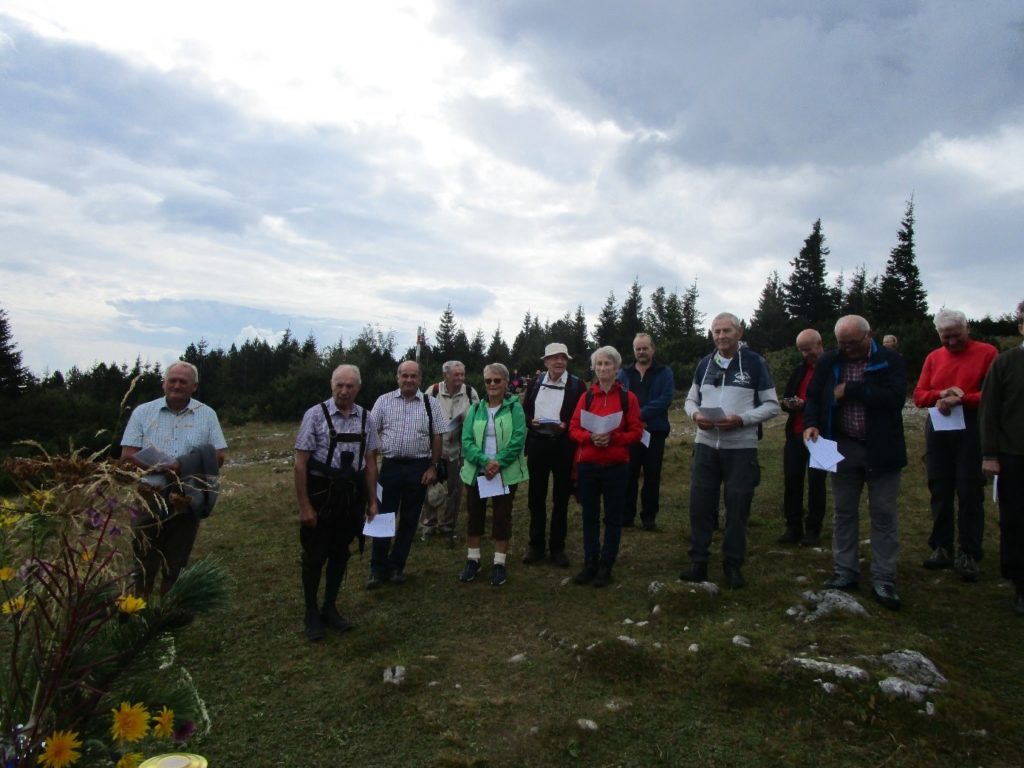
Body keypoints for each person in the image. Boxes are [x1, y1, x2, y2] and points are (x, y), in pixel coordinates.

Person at [804, 315, 907, 611]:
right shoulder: (829, 362)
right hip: (843, 445)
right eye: (842, 343)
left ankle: (884, 578)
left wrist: (851, 390)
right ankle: (845, 571)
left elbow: (894, 398)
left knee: (883, 513)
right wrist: (812, 423)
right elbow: (814, 396)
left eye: (853, 342)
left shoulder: (890, 360)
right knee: (844, 511)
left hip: (883, 449)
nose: (847, 348)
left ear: (869, 335)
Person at [680, 313, 780, 589]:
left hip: (741, 447)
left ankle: (732, 564)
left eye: (726, 331)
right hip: (706, 444)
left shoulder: (755, 363)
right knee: (700, 505)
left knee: (737, 507)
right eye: (716, 332)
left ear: (739, 332)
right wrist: (695, 415)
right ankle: (698, 561)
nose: (721, 336)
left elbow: (772, 405)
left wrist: (742, 420)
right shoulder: (704, 363)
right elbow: (690, 399)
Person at [121, 361, 227, 597]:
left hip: (187, 496)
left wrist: (181, 467)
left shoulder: (207, 415)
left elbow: (218, 456)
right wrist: (165, 467)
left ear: (194, 387)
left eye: (183, 382)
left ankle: (165, 620)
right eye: (172, 380)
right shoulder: (143, 412)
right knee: (143, 561)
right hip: (149, 495)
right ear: (163, 383)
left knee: (175, 563)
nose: (177, 385)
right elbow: (127, 455)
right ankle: (140, 616)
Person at [294, 365, 380, 640]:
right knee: (314, 555)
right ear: (331, 386)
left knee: (340, 554)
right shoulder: (315, 415)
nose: (344, 391)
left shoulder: (366, 418)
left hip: (350, 498)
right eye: (339, 386)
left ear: (358, 388)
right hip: (321, 494)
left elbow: (370, 463)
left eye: (350, 386)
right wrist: (305, 506)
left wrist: (372, 501)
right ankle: (311, 613)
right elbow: (300, 464)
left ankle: (330, 608)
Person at [913, 309, 998, 580]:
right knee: (939, 486)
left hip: (972, 428)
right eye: (945, 337)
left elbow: (994, 393)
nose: (950, 342)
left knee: (969, 489)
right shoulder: (933, 357)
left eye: (956, 336)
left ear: (967, 329)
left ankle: (969, 551)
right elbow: (919, 395)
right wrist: (940, 394)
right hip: (939, 428)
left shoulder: (987, 353)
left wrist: (963, 399)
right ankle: (941, 546)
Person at [368, 360, 449, 588]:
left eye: (413, 376)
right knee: (383, 517)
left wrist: (433, 466)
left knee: (409, 520)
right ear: (397, 378)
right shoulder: (383, 401)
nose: (409, 380)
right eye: (405, 375)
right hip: (390, 468)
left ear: (420, 379)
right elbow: (372, 434)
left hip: (419, 468)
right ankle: (377, 568)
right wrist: (370, 465)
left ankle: (396, 567)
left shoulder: (430, 403)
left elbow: (437, 436)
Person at [569, 346, 643, 587]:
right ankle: (590, 562)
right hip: (589, 464)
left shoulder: (627, 398)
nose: (602, 368)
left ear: (617, 369)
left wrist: (614, 438)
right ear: (594, 368)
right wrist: (589, 438)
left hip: (616, 465)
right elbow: (573, 427)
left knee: (613, 517)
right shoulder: (586, 397)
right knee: (590, 516)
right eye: (598, 364)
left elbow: (636, 431)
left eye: (607, 364)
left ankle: (606, 565)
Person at [458, 363, 529, 586]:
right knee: (474, 516)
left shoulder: (514, 407)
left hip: (503, 472)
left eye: (497, 380)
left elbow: (519, 438)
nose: (492, 384)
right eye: (488, 380)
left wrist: (498, 462)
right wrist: (483, 460)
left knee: (502, 517)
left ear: (506, 382)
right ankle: (473, 559)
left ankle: (499, 562)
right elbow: (466, 440)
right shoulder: (475, 408)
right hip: (477, 472)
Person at [522, 342, 586, 567]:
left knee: (561, 498)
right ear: (546, 361)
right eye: (554, 358)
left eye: (563, 358)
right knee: (535, 497)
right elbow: (525, 411)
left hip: (563, 447)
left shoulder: (578, 385)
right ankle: (536, 545)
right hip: (538, 445)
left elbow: (583, 416)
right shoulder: (534, 383)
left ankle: (558, 547)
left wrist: (567, 425)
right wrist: (531, 421)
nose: (559, 361)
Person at [980, 300, 1024, 615]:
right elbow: (990, 410)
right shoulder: (1006, 362)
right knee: (1017, 520)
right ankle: (1020, 581)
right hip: (1014, 455)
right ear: (1021, 326)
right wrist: (990, 454)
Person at [616, 332, 675, 531]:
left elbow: (666, 398)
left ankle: (649, 517)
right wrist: (633, 420)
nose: (641, 352)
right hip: (630, 433)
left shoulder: (664, 372)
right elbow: (620, 397)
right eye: (638, 349)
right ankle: (627, 515)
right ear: (634, 351)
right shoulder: (624, 373)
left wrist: (639, 415)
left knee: (652, 475)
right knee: (629, 474)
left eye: (645, 348)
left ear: (653, 349)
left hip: (655, 431)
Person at [777, 329, 827, 546]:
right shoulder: (800, 370)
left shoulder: (833, 370)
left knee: (817, 483)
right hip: (795, 433)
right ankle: (793, 527)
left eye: (809, 349)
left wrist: (806, 405)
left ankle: (813, 529)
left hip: (822, 435)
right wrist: (789, 404)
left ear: (820, 344)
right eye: (802, 351)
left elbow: (836, 402)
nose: (806, 354)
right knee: (792, 480)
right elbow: (786, 398)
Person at [419, 360, 479, 540]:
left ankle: (448, 526)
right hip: (434, 449)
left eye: (462, 374)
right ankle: (428, 525)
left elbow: (477, 416)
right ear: (446, 375)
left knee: (455, 490)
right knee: (431, 487)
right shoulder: (433, 391)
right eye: (456, 375)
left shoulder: (470, 392)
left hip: (458, 449)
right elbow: (422, 415)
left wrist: (466, 419)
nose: (460, 378)